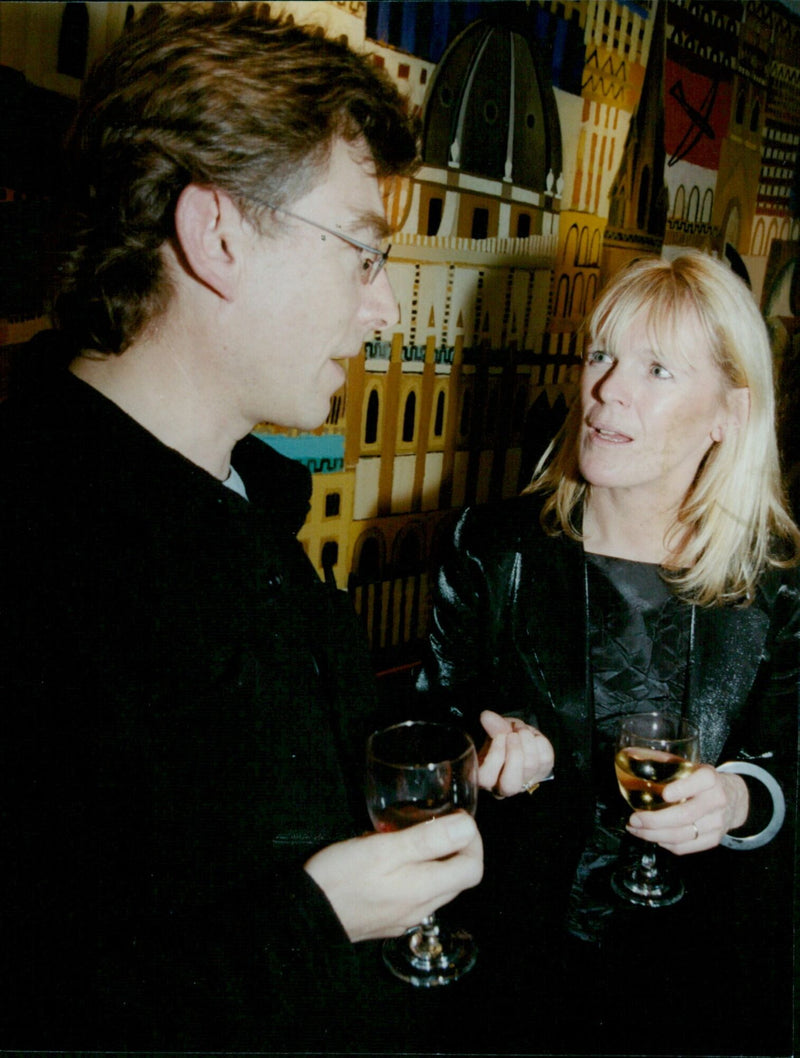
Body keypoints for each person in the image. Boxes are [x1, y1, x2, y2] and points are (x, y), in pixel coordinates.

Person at [0, 5, 484, 1050]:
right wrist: (316, 924)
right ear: (217, 233)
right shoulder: (33, 557)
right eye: (361, 251)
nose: (386, 308)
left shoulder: (243, 505)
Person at [418, 251, 800, 1056]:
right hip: (513, 972)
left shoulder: (777, 591)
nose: (606, 391)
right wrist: (481, 755)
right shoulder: (493, 549)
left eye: (657, 369)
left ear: (730, 412)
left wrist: (736, 803)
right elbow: (422, 734)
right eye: (602, 355)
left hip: (699, 986)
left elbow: (789, 768)